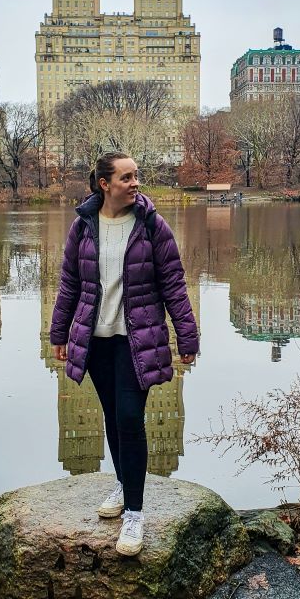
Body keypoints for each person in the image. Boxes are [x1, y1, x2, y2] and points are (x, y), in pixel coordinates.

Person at [50, 152, 199, 556]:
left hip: (138, 339)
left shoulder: (152, 226)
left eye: (137, 176)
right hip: (96, 340)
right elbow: (68, 285)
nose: (136, 183)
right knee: (114, 419)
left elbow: (173, 284)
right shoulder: (83, 227)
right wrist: (58, 333)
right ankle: (122, 482)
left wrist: (187, 339)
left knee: (131, 418)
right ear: (104, 183)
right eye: (127, 177)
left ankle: (134, 513)